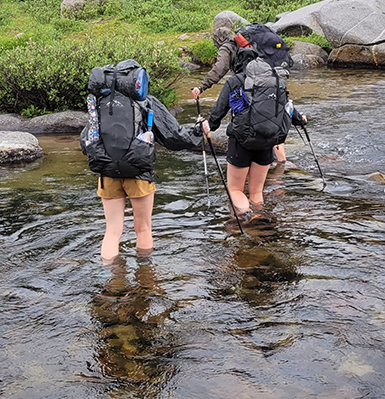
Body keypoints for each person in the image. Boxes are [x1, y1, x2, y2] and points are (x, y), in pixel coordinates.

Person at [81, 60, 201, 263]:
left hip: (107, 171)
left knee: (112, 231)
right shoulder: (147, 102)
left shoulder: (101, 102)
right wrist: (198, 131)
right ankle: (145, 280)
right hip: (138, 172)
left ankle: (109, 280)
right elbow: (174, 137)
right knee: (143, 228)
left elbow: (86, 140)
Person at [197, 62, 306, 221]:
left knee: (235, 190)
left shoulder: (236, 80)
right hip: (267, 141)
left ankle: (246, 215)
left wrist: (205, 125)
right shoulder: (273, 81)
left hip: (241, 141)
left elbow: (218, 112)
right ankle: (259, 221)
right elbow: (287, 106)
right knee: (256, 191)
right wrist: (301, 120)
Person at [191, 26, 289, 165]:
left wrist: (202, 87)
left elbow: (220, 68)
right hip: (269, 90)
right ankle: (282, 163)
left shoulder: (228, 52)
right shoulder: (255, 46)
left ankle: (265, 162)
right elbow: (284, 103)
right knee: (268, 113)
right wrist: (298, 118)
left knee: (243, 113)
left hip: (243, 130)